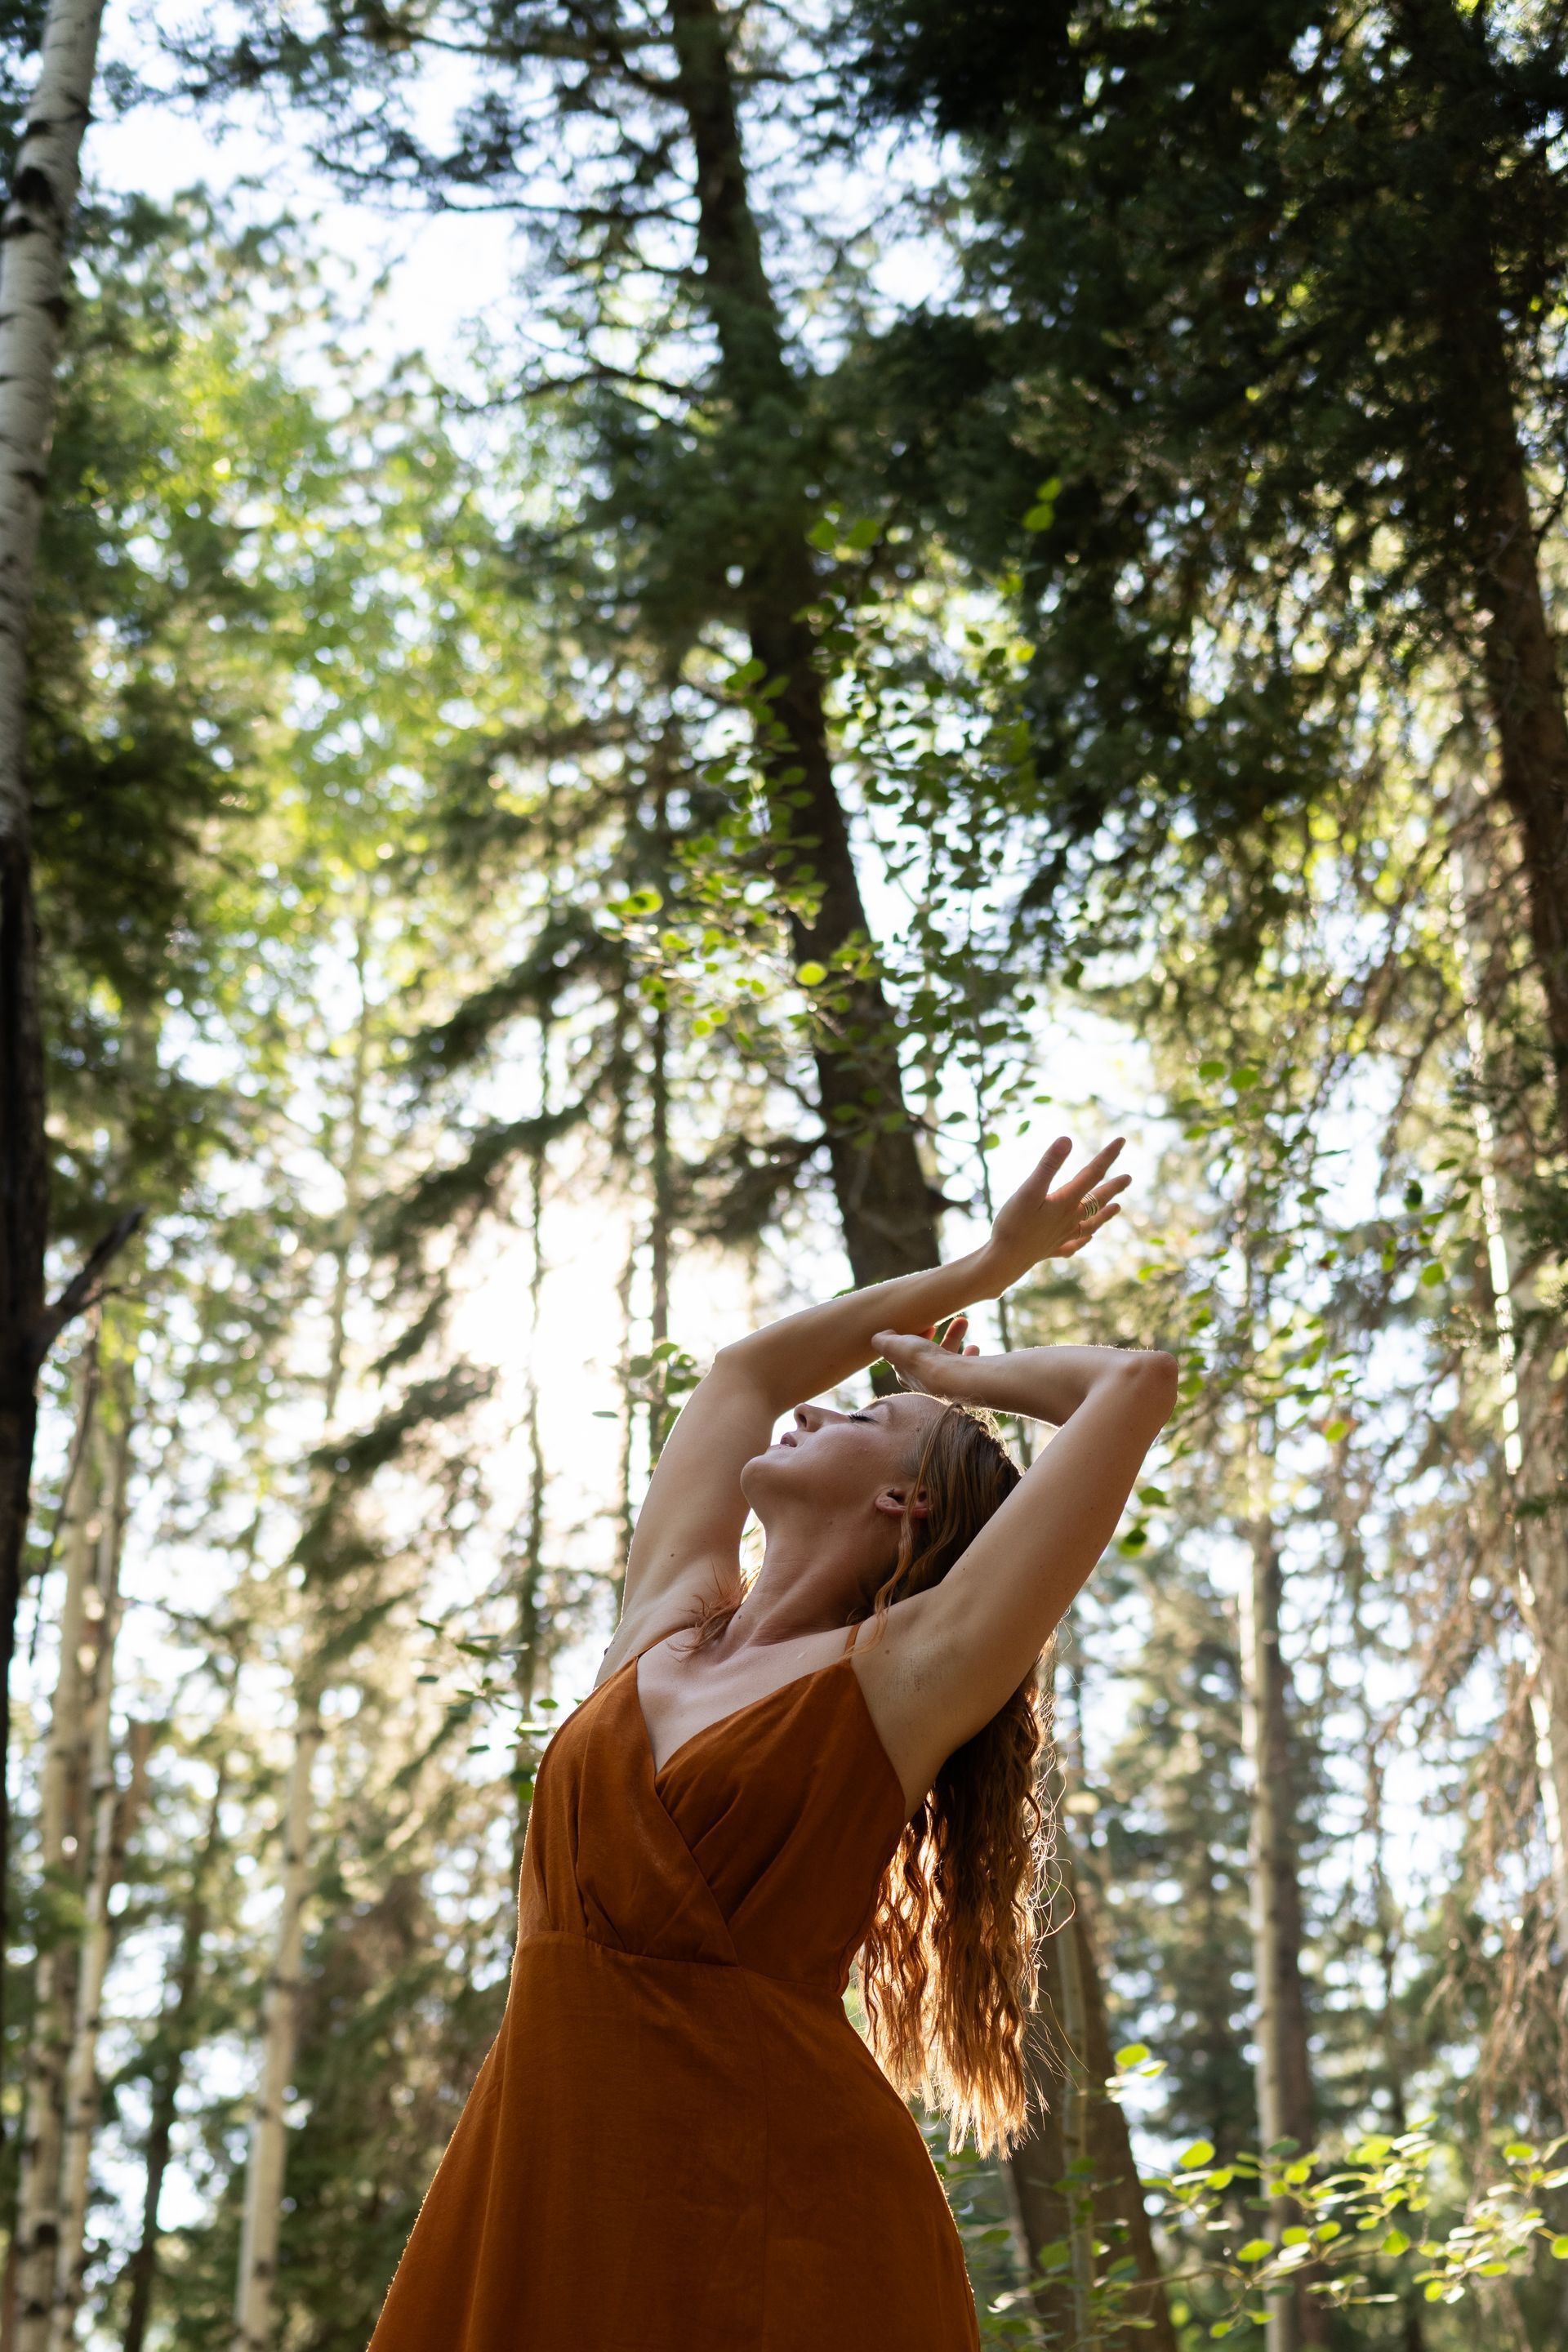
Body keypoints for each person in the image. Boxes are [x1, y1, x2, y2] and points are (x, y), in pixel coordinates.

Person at [367, 1135, 1177, 2352]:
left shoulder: (906, 1674)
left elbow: (1134, 1383)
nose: (816, 1402)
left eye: (862, 1414)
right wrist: (983, 1264)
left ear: (908, 1502)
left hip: (772, 2192)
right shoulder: (665, 1625)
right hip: (544, 2161)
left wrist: (954, 1375)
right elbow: (745, 1371)